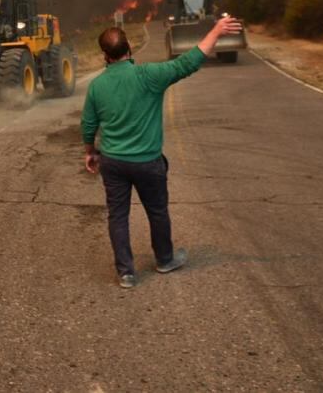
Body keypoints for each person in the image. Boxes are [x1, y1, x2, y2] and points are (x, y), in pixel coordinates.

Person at [80, 16, 243, 289]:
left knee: (117, 215)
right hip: (147, 162)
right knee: (157, 211)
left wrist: (90, 151)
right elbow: (188, 62)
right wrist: (216, 30)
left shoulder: (97, 86)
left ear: (104, 56)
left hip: (113, 162)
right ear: (129, 49)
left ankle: (126, 273)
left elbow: (88, 124)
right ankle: (165, 260)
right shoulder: (149, 76)